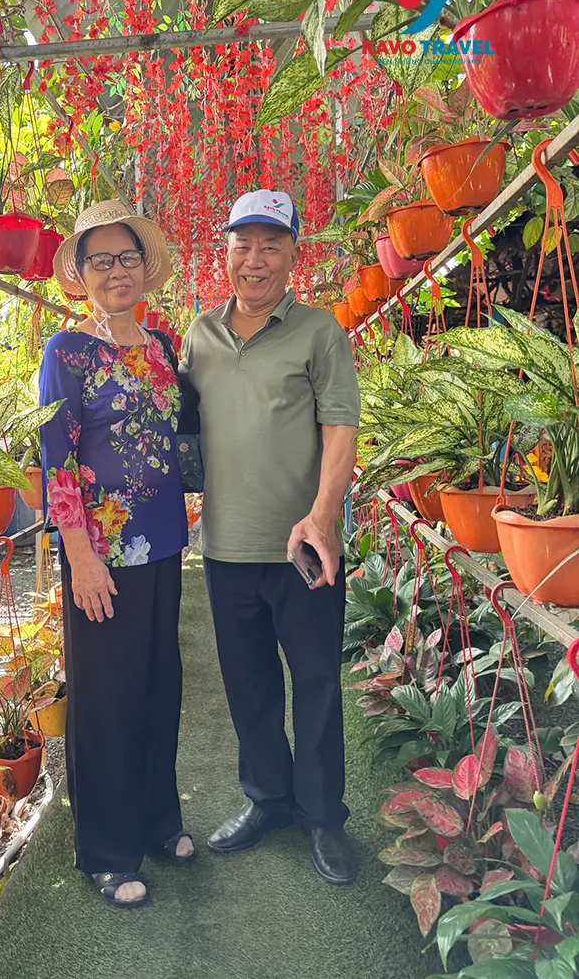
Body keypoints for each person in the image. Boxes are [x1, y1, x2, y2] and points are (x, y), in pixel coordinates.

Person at [179, 189, 361, 885]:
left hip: (303, 549)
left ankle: (323, 815)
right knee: (248, 685)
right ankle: (268, 800)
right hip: (225, 547)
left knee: (316, 684)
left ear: (291, 255)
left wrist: (323, 516)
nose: (254, 260)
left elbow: (340, 428)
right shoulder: (199, 336)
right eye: (242, 245)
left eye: (270, 245)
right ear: (225, 251)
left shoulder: (319, 332)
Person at [38, 199, 192, 910]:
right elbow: (57, 460)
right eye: (100, 260)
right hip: (101, 553)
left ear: (143, 266)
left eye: (127, 257)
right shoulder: (66, 352)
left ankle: (158, 819)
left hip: (163, 545)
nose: (116, 271)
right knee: (105, 699)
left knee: (160, 685)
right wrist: (79, 555)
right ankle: (105, 848)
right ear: (81, 272)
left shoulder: (162, 346)